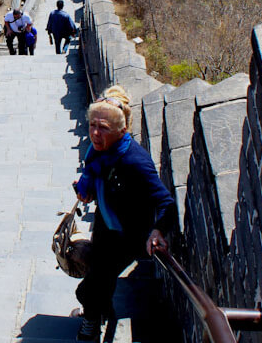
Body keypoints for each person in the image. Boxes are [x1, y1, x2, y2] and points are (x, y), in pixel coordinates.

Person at [72, 86, 176, 341]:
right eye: (93, 124)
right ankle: (96, 313)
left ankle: (91, 319)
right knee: (100, 278)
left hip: (127, 235)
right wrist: (89, 194)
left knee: (93, 284)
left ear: (122, 130)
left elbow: (167, 202)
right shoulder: (99, 152)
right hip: (106, 225)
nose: (96, 132)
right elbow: (108, 185)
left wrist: (158, 230)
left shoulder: (134, 161)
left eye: (104, 127)